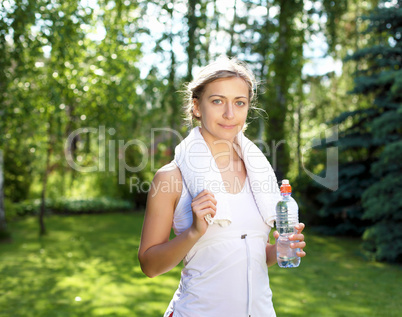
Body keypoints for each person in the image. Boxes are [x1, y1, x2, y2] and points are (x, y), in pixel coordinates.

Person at [138, 56, 306, 317]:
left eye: (239, 103)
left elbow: (248, 251)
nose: (230, 114)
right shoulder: (171, 178)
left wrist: (279, 250)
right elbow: (150, 266)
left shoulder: (259, 174)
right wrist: (194, 231)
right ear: (196, 107)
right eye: (217, 101)